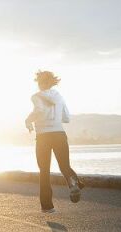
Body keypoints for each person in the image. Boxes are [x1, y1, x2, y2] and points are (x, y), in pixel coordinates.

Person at [25, 70, 84, 213]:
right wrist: (55, 117)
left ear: (42, 83)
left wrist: (28, 120)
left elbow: (38, 110)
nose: (38, 85)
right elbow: (67, 118)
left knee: (44, 170)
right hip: (59, 134)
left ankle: (47, 206)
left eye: (39, 82)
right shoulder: (59, 97)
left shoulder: (36, 97)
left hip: (44, 136)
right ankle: (73, 183)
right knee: (64, 165)